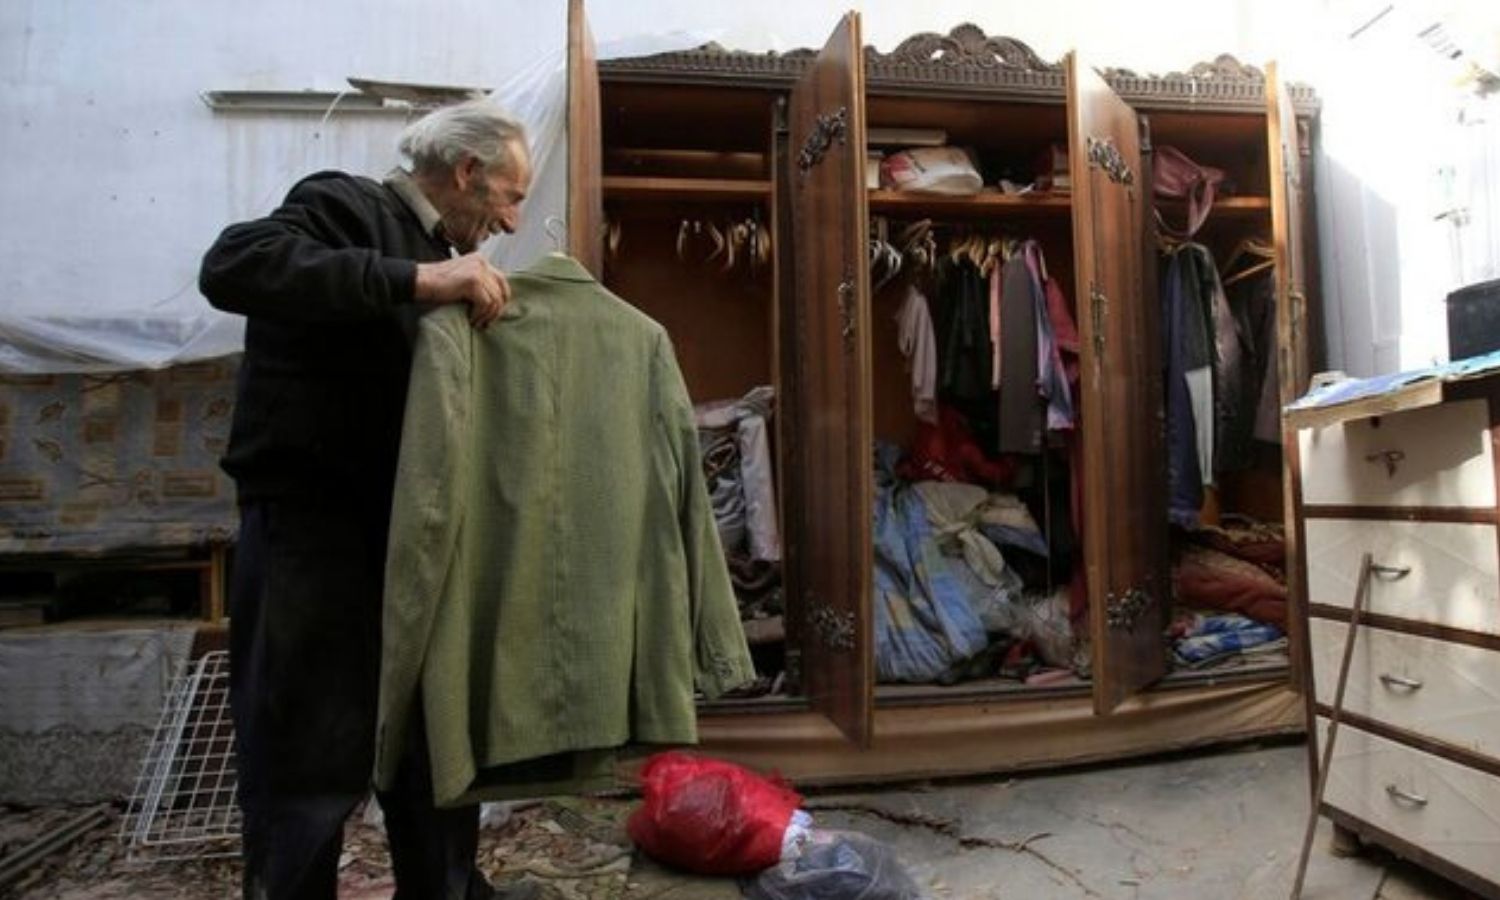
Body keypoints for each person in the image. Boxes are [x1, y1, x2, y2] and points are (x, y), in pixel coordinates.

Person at [199, 99, 537, 900]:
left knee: (430, 744)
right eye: (510, 197)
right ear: (466, 172)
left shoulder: (445, 255)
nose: (514, 222)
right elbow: (232, 265)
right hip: (311, 534)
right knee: (307, 753)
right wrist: (421, 279)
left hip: (407, 537)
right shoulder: (345, 205)